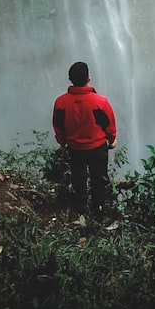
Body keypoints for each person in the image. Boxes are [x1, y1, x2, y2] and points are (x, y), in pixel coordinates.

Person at [52, 61, 117, 218]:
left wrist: (63, 143)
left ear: (70, 79)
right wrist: (112, 139)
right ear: (89, 78)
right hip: (97, 148)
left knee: (78, 177)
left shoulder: (61, 102)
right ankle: (99, 212)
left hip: (75, 149)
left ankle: (80, 209)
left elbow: (58, 126)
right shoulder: (100, 102)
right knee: (99, 179)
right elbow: (108, 124)